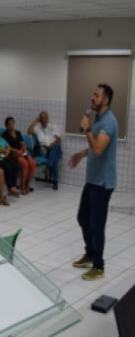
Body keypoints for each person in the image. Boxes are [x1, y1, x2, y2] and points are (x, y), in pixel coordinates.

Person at [68, 84, 118, 281]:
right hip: (92, 180)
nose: (92, 98)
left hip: (103, 182)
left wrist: (87, 128)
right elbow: (96, 147)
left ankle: (99, 266)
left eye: (96, 95)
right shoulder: (99, 119)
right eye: (93, 95)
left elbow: (98, 149)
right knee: (82, 218)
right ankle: (90, 253)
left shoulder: (109, 122)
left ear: (105, 100)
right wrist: (82, 153)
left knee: (97, 225)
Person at [27, 110, 62, 190]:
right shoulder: (37, 128)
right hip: (43, 149)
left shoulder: (53, 127)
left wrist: (51, 145)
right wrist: (35, 120)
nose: (45, 120)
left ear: (48, 118)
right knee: (55, 157)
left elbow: (58, 139)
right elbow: (28, 132)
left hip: (53, 147)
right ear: (40, 119)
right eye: (42, 118)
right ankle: (55, 181)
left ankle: (48, 165)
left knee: (56, 147)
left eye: (46, 118)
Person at [3, 117, 36, 195]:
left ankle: (27, 183)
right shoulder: (5, 135)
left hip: (22, 152)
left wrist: (23, 149)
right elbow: (7, 146)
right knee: (24, 164)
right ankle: (22, 184)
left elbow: (22, 143)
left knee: (32, 163)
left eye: (13, 123)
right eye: (9, 124)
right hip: (13, 154)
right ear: (6, 125)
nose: (11, 126)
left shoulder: (18, 132)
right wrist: (17, 151)